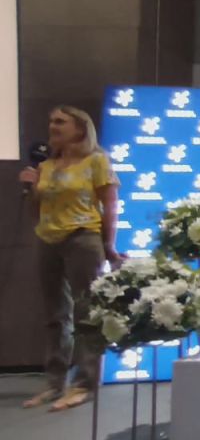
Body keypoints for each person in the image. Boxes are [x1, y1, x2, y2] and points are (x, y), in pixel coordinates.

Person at [18, 106, 122, 412]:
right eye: (51, 121)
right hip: (47, 239)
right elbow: (35, 211)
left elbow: (110, 205)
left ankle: (84, 384)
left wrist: (109, 245)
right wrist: (31, 187)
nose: (53, 126)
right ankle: (54, 383)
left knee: (86, 312)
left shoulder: (96, 161)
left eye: (61, 122)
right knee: (55, 315)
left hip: (83, 238)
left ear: (80, 128)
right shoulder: (45, 165)